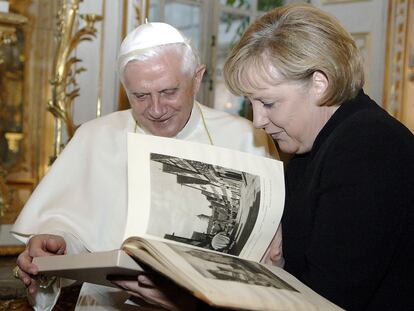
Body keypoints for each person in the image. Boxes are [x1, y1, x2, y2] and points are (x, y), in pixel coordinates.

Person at [112, 4, 414, 311]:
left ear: (319, 83)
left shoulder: (369, 145)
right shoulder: (311, 147)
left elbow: (328, 301)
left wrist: (187, 303)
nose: (258, 121)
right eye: (253, 104)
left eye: (268, 103)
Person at [11, 22, 282, 310]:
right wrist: (57, 243)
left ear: (197, 78)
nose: (156, 109)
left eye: (168, 91)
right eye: (140, 95)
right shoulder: (95, 137)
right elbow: (80, 236)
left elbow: (268, 253)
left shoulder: (247, 138)